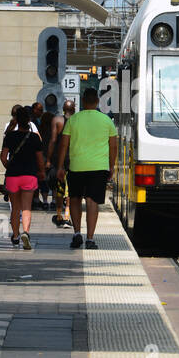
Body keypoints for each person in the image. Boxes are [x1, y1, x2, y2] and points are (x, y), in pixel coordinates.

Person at [57, 87, 117, 249]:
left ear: (83, 101)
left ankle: (77, 234)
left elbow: (64, 144)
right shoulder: (106, 121)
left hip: (76, 167)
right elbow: (113, 147)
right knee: (92, 202)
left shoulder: (73, 120)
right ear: (97, 101)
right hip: (99, 168)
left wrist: (61, 166)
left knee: (75, 200)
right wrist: (111, 166)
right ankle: (90, 239)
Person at [0, 104, 46, 249]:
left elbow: (2, 157)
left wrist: (10, 167)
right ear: (29, 120)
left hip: (13, 176)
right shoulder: (34, 138)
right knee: (26, 207)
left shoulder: (10, 136)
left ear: (17, 120)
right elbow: (40, 159)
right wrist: (42, 172)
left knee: (15, 208)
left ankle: (15, 236)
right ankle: (25, 232)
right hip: (29, 175)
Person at [48, 100, 74, 227]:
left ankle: (59, 215)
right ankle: (67, 216)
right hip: (74, 159)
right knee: (70, 190)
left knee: (59, 188)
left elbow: (53, 141)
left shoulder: (57, 121)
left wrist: (48, 159)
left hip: (60, 159)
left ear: (63, 109)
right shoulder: (78, 121)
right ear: (74, 110)